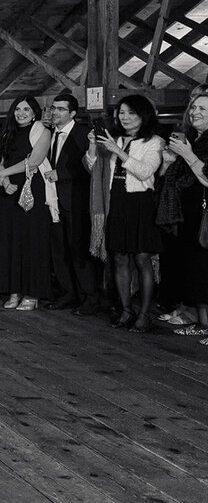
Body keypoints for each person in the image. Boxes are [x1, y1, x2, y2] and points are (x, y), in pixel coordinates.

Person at [86, 95, 164, 331]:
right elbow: (92, 168)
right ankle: (126, 309)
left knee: (142, 258)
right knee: (119, 257)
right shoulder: (115, 138)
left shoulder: (155, 142)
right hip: (116, 200)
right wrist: (94, 144)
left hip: (140, 202)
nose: (125, 117)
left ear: (143, 116)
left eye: (131, 113)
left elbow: (145, 172)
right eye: (122, 112)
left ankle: (144, 313)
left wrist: (118, 152)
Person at [0, 96, 54, 312]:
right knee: (9, 241)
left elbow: (34, 160)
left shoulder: (43, 132)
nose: (21, 113)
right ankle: (13, 290)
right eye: (17, 109)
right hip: (8, 190)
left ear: (34, 112)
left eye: (26, 109)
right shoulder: (4, 132)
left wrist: (4, 174)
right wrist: (4, 180)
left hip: (32, 188)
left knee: (31, 241)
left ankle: (32, 293)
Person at [157, 92, 208, 341]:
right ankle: (201, 322)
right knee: (195, 272)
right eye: (194, 107)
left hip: (205, 215)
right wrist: (169, 161)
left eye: (203, 109)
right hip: (187, 215)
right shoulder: (193, 140)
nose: (196, 112)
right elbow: (172, 180)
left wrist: (187, 155)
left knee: (205, 270)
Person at [43, 93, 97, 313]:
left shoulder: (84, 134)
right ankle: (68, 293)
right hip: (52, 201)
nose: (55, 112)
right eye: (53, 108)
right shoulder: (47, 135)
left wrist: (61, 173)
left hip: (76, 201)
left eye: (61, 109)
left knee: (79, 251)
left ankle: (90, 298)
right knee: (58, 251)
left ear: (73, 113)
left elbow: (92, 167)